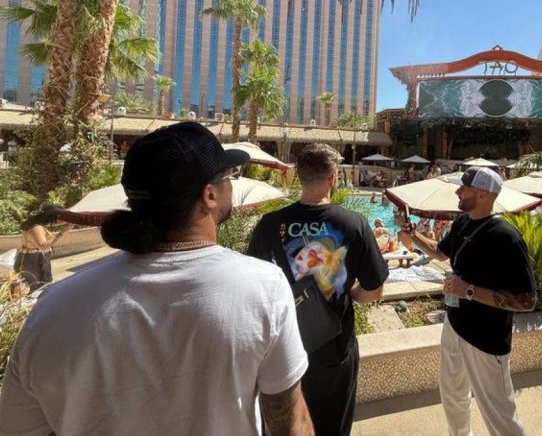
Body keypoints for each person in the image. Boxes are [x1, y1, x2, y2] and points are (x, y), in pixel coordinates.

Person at [0, 122, 314, 435]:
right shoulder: (262, 288)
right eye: (229, 177)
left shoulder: (55, 306)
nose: (232, 184)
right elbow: (289, 422)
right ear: (209, 195)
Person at [248, 143, 389, 436]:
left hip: (282, 349)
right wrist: (349, 294)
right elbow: (374, 291)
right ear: (333, 178)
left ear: (298, 176)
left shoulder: (270, 225)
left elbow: (254, 290)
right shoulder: (354, 224)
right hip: (334, 350)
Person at [407, 167, 536, 436]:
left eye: (464, 188)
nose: (458, 191)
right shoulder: (462, 222)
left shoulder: (505, 237)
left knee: (499, 413)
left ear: (482, 194)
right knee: (452, 395)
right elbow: (439, 252)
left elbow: (526, 300)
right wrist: (412, 234)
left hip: (486, 339)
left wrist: (468, 291)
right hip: (454, 325)